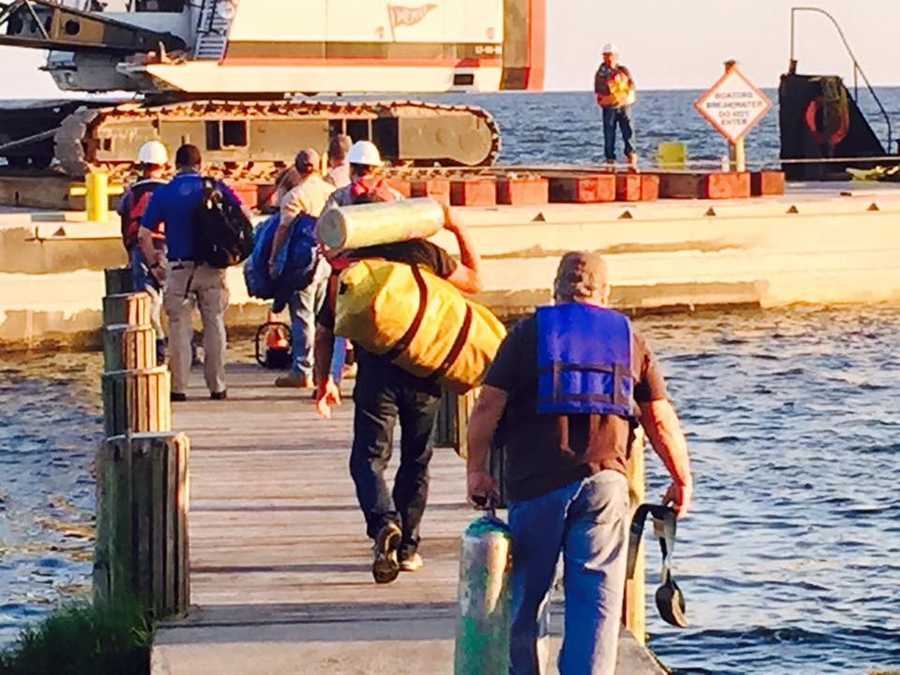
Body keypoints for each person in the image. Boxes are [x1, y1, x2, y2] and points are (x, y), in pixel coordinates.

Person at [466, 251, 693, 675]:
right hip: (605, 480)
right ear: (605, 293)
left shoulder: (528, 334)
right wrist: (681, 479)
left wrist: (476, 470)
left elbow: (487, 406)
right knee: (596, 599)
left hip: (536, 482)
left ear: (555, 290)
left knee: (526, 595)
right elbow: (659, 419)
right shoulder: (629, 339)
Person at [314, 140, 483, 584]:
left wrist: (324, 380)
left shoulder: (353, 263)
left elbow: (327, 327)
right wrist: (456, 225)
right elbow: (475, 280)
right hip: (424, 371)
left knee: (367, 459)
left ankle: (382, 522)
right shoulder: (426, 253)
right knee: (416, 459)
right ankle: (407, 547)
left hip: (376, 372)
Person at [139, 144, 251, 402]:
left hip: (179, 268)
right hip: (213, 267)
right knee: (214, 323)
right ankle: (217, 386)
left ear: (175, 165)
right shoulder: (214, 187)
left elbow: (144, 234)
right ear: (200, 164)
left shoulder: (165, 193)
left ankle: (179, 388)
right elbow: (244, 215)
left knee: (179, 327)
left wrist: (155, 264)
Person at [269, 148, 336, 388]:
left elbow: (283, 229)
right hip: (329, 260)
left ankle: (302, 370)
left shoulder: (294, 196)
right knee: (323, 318)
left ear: (296, 169)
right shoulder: (332, 193)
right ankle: (323, 371)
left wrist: (273, 258)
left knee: (302, 315)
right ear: (319, 167)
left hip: (303, 263)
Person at [118, 140, 168, 363]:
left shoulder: (132, 193)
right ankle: (186, 349)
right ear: (163, 165)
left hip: (140, 249)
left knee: (148, 300)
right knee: (177, 302)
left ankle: (157, 346)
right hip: (167, 248)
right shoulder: (169, 190)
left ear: (141, 165)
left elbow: (124, 217)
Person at [594, 43, 638, 170]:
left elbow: (631, 86)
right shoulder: (601, 74)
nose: (609, 58)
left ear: (616, 56)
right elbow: (600, 95)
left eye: (611, 55)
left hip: (624, 106)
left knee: (628, 131)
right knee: (609, 134)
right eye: (606, 55)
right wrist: (611, 99)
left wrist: (626, 97)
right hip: (610, 108)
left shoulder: (623, 71)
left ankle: (631, 159)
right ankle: (610, 161)